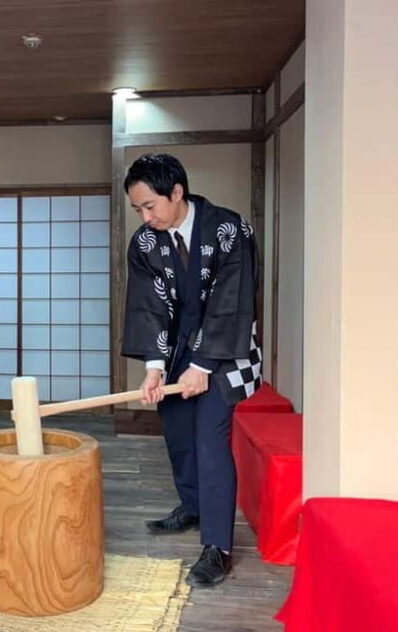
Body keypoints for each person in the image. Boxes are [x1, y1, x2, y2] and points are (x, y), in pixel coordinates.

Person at [121, 153, 261, 587]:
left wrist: (202, 365)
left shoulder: (228, 229)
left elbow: (233, 302)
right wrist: (154, 366)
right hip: (178, 346)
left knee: (209, 437)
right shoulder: (146, 243)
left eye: (150, 206)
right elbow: (148, 306)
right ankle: (194, 505)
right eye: (138, 210)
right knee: (178, 428)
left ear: (177, 192)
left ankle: (217, 546)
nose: (145, 218)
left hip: (226, 348)